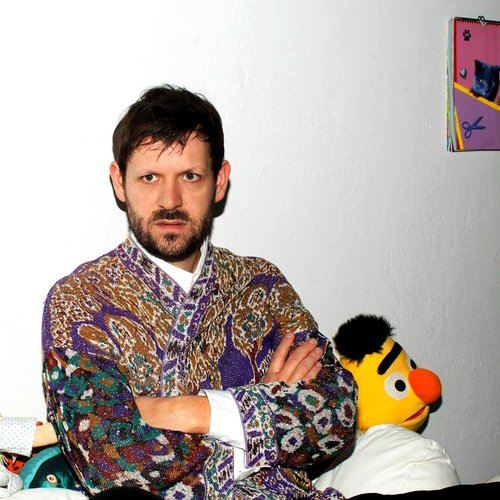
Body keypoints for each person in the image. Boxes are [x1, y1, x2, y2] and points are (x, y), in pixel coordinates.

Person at [40, 84, 358, 499]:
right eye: (150, 177)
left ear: (219, 181)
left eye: (190, 176)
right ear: (120, 182)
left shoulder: (261, 283)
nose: (170, 200)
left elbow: (338, 413)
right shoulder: (79, 300)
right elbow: (111, 463)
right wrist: (260, 412)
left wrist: (189, 411)